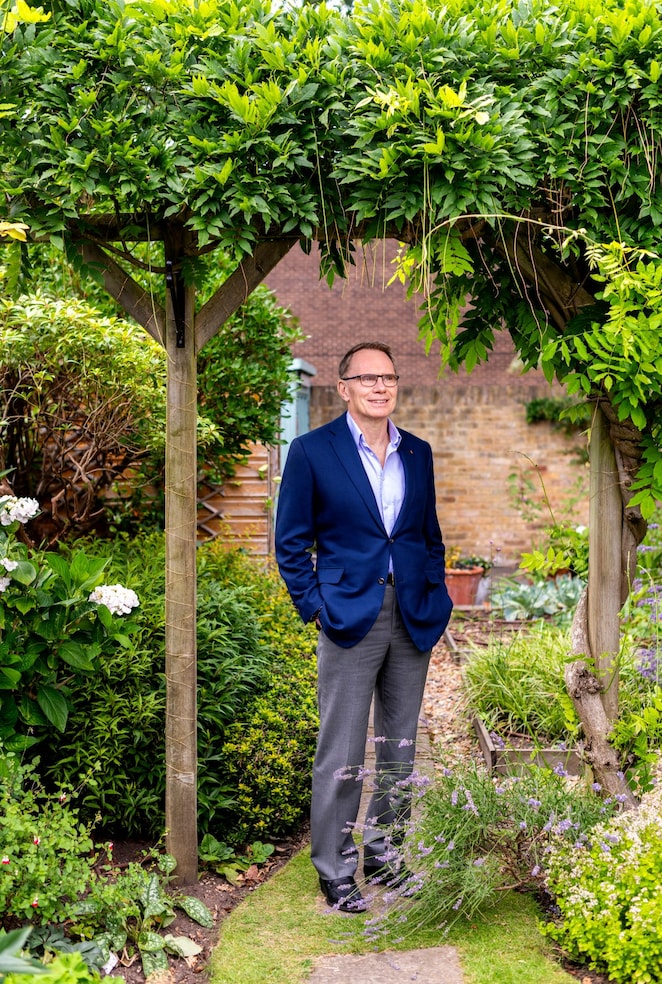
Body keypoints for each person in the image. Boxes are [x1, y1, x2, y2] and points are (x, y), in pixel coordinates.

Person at [275, 341, 453, 912]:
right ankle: (334, 867)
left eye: (389, 378)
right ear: (343, 388)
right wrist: (315, 606)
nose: (380, 387)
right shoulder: (311, 451)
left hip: (412, 612)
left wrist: (437, 594)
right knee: (343, 749)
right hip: (349, 614)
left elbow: (427, 535)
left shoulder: (417, 452)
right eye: (367, 378)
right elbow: (290, 543)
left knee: (400, 747)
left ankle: (385, 853)